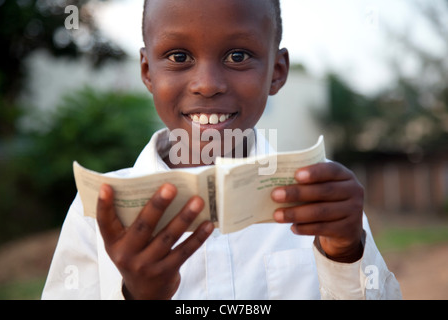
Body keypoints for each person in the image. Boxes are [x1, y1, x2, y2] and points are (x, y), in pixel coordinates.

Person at [42, 0, 402, 300]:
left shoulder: (317, 197)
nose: (208, 84)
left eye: (237, 55)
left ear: (276, 72)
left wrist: (345, 253)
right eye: (179, 56)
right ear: (148, 71)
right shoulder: (99, 212)